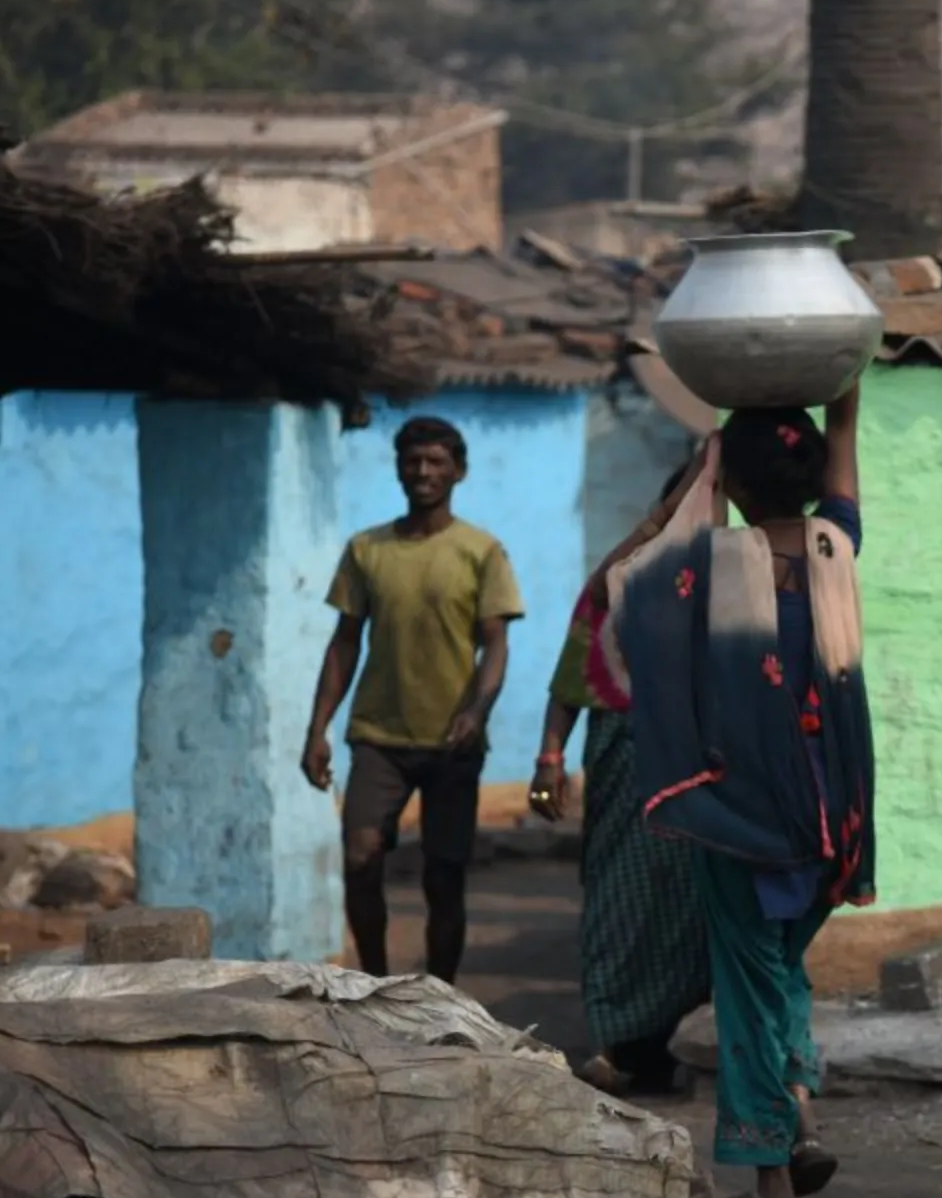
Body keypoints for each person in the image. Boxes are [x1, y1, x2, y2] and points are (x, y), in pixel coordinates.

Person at [612, 386, 868, 1198]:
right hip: (838, 815)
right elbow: (844, 471)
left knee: (748, 989)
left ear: (733, 479)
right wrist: (848, 406)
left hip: (749, 814)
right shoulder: (834, 545)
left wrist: (701, 474)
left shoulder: (716, 566)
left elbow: (628, 583)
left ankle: (773, 1187)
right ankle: (801, 1108)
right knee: (780, 973)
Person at [304, 417, 523, 984]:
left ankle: (439, 994)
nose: (423, 472)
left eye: (435, 462)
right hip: (379, 736)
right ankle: (375, 984)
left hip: (453, 740)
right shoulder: (367, 549)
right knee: (360, 858)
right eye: (412, 461)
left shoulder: (481, 552)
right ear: (398, 468)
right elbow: (344, 642)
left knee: (444, 875)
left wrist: (477, 712)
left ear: (459, 471)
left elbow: (496, 644)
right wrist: (317, 728)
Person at [531, 446, 721, 1097]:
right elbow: (579, 652)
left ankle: (669, 1043)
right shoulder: (629, 576)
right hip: (625, 752)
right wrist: (550, 754)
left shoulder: (736, 577)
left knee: (690, 903)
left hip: (704, 766)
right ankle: (615, 1039)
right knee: (619, 897)